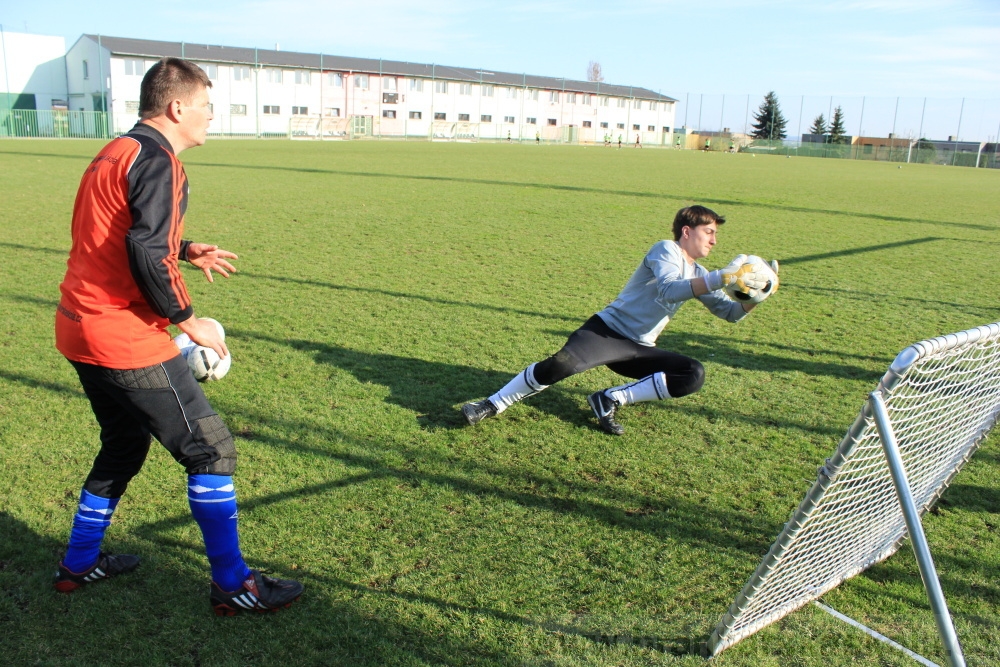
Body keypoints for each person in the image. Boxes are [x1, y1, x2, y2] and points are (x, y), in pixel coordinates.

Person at [53, 57, 302, 615]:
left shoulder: (116, 151)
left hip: (76, 326)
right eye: (207, 106)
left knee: (123, 444)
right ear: (177, 106)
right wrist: (187, 319)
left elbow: (118, 232)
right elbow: (144, 249)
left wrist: (184, 249)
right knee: (211, 450)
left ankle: (78, 563)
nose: (212, 116)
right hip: (121, 334)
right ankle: (234, 585)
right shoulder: (159, 160)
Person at [461, 206, 776, 435]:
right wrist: (721, 277)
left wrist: (758, 296)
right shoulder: (666, 249)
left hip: (639, 348)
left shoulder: (700, 273)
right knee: (561, 364)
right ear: (687, 231)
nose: (714, 241)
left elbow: (729, 313)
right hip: (607, 333)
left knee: (692, 374)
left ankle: (609, 399)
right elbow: (669, 289)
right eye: (709, 232)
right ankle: (490, 405)